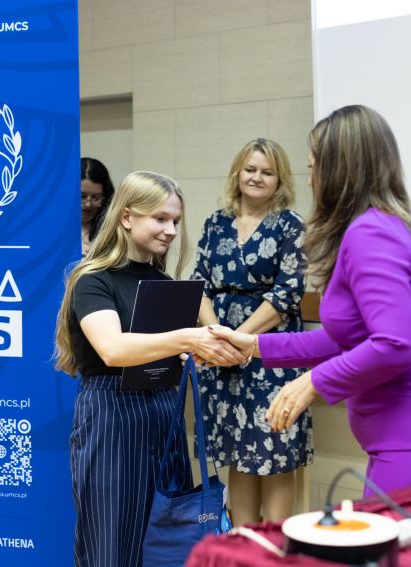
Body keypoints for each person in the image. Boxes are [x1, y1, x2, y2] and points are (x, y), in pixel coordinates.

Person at [208, 107, 411, 496]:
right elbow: (348, 339)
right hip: (408, 439)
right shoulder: (379, 227)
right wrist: (254, 345)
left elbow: (395, 343)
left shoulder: (371, 232)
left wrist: (313, 381)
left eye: (314, 168)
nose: (310, 181)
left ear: (340, 171)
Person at [53, 171, 246, 567]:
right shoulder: (92, 279)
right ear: (127, 217)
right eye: (160, 218)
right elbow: (113, 349)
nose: (171, 230)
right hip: (112, 419)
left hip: (162, 413)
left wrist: (205, 347)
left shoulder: (163, 282)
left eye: (175, 220)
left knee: (165, 544)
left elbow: (203, 336)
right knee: (110, 546)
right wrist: (187, 339)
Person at [191, 138, 310, 525]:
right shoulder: (215, 222)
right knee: (238, 450)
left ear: (280, 180)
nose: (257, 178)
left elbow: (288, 293)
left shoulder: (290, 225)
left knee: (275, 451)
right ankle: (243, 544)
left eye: (267, 172)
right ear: (237, 173)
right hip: (219, 351)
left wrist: (239, 339)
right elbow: (198, 284)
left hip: (272, 350)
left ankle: (274, 548)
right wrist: (216, 336)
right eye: (250, 169)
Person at [81, 157, 116, 256]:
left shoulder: (113, 231)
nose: (88, 204)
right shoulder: (50, 227)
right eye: (81, 196)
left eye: (96, 197)